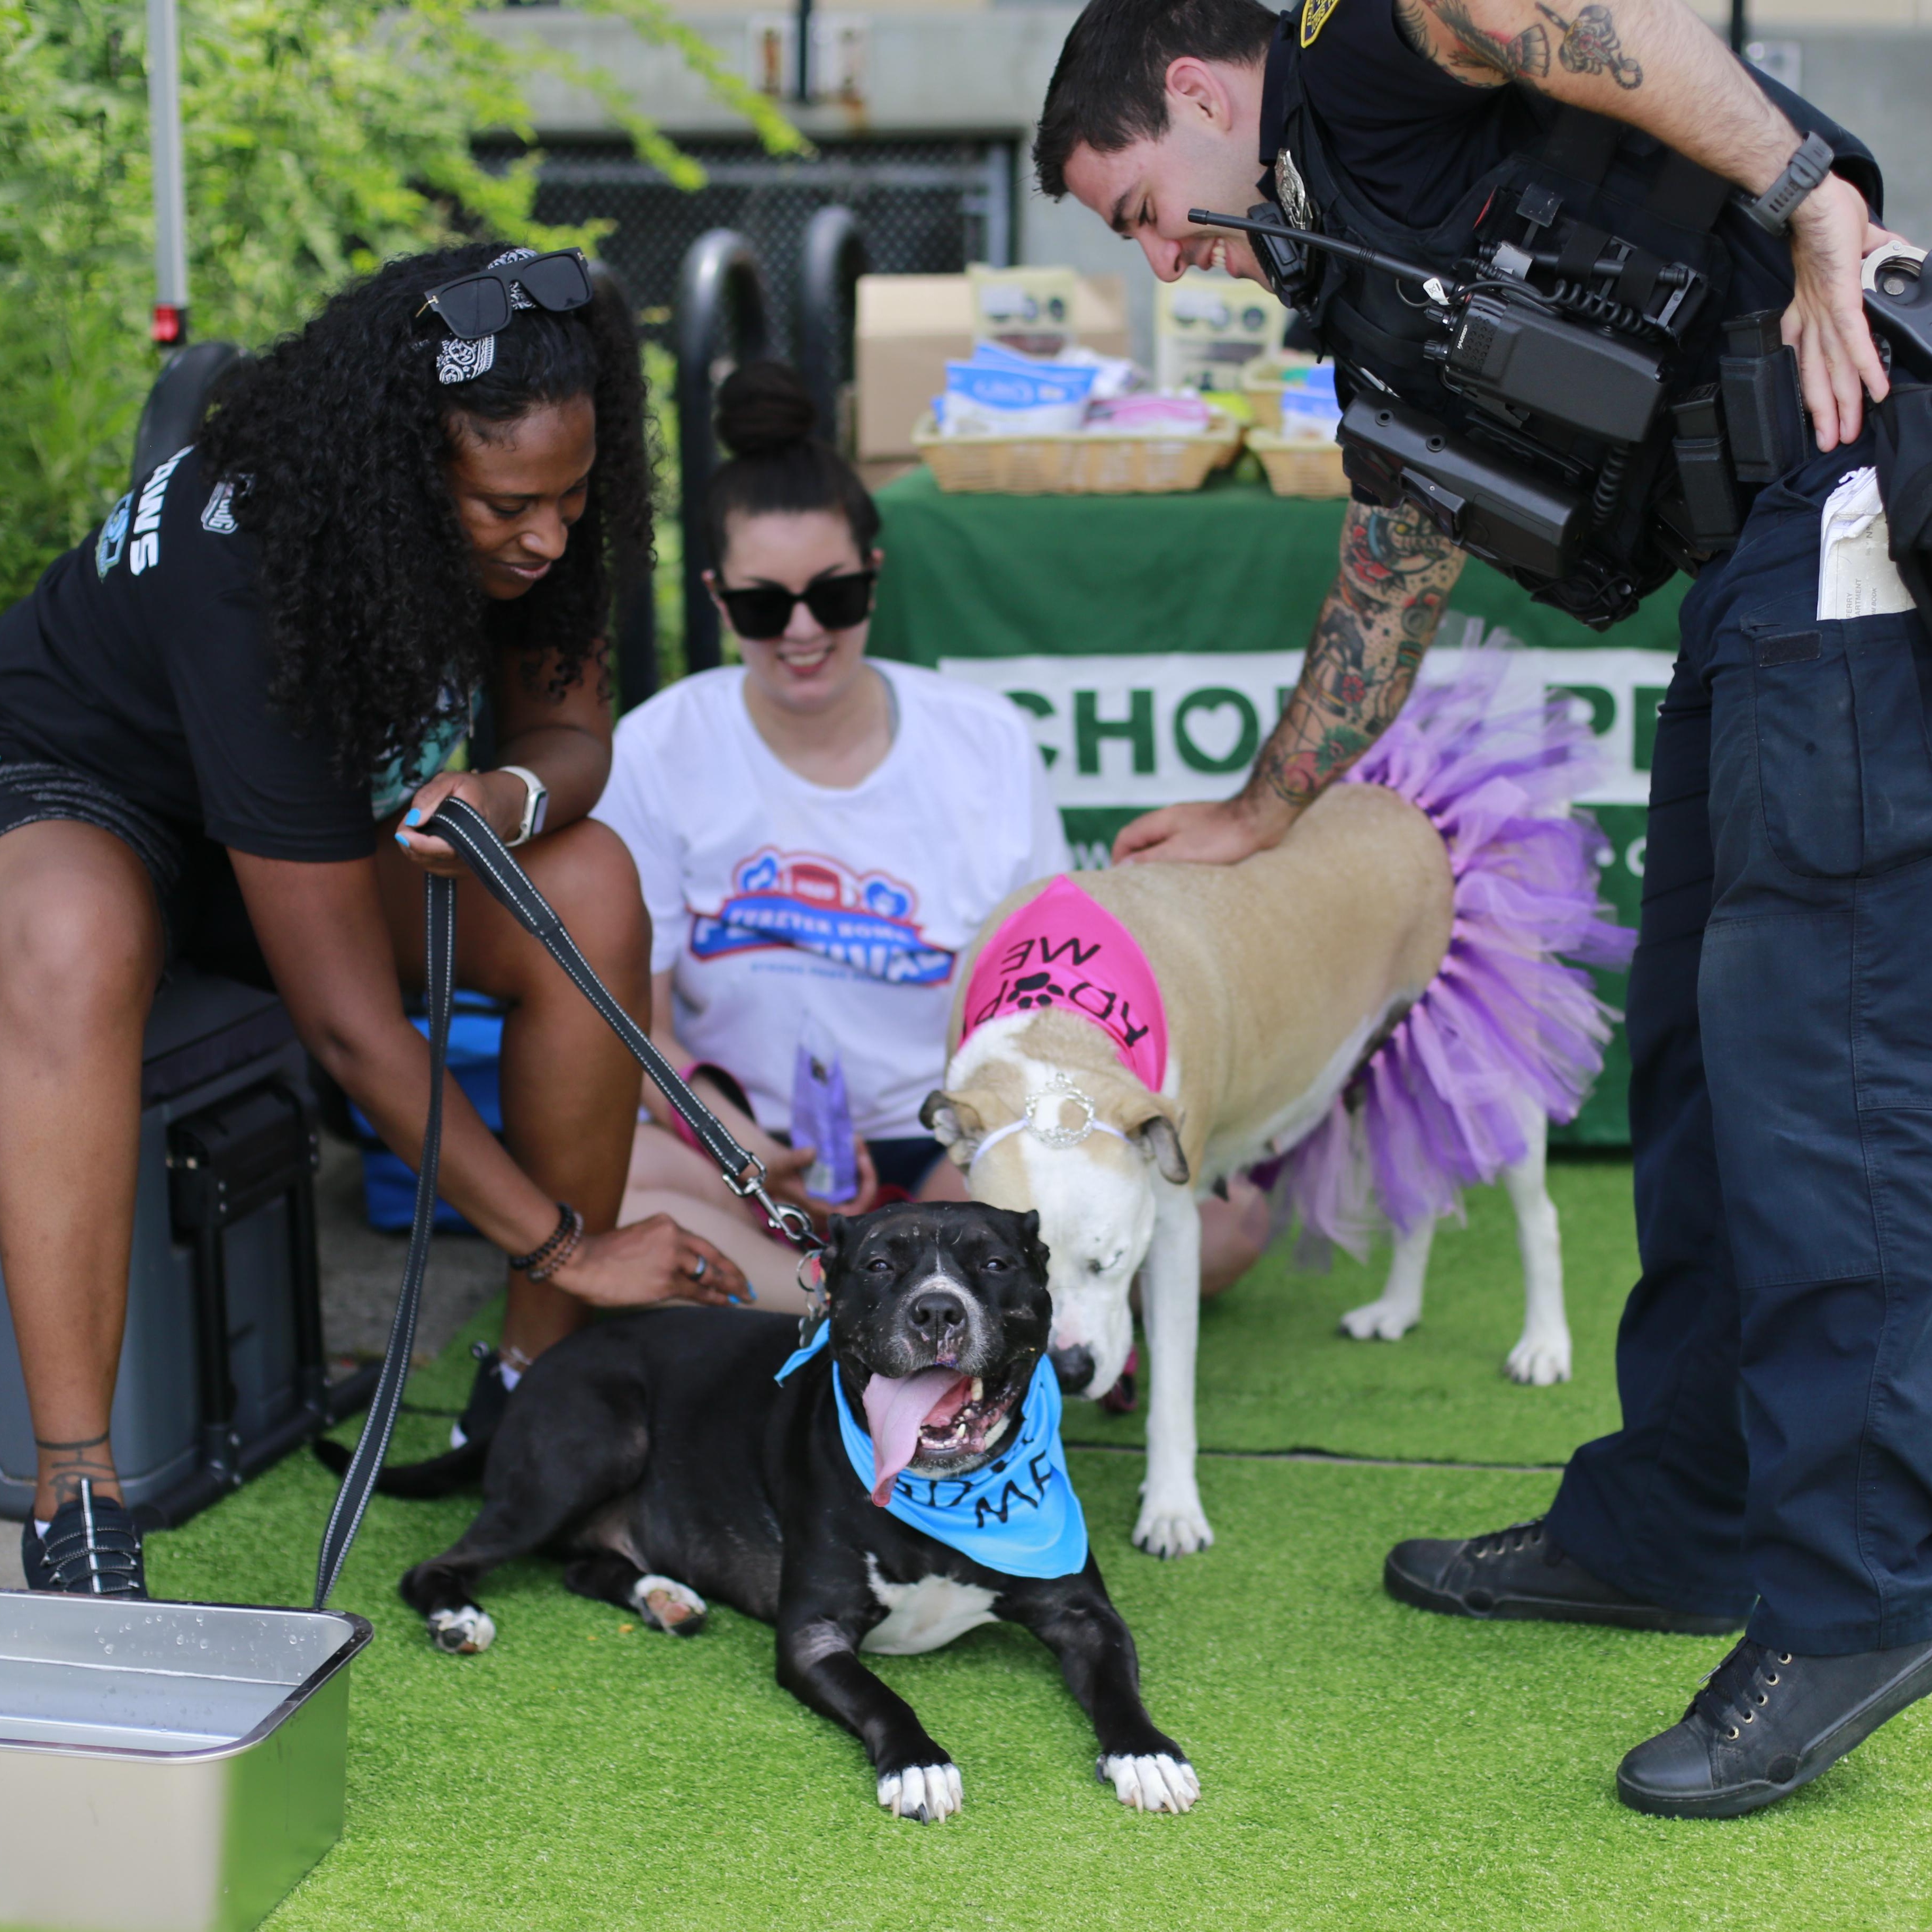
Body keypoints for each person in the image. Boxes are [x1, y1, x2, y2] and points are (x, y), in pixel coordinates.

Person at [1035, 0, 1932, 1817]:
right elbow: (1400, 539)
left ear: (1195, 94)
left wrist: (1812, 197)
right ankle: (1677, 1521)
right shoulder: (1336, 237)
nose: (1154, 255)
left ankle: (1857, 1596)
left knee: (1808, 1079)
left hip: (1840, 502)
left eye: (1133, 203)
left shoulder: (1358, 52)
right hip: (1747, 557)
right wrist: (1265, 803)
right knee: (1689, 1057)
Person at [0, 244, 747, 1599]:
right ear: (402, 477)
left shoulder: (544, 506)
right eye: (509, 504)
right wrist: (574, 1239)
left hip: (279, 832)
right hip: (69, 791)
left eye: (576, 495)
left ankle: (535, 1394)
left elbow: (573, 739)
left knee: (586, 878)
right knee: (75, 935)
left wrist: (509, 793)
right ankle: (77, 1492)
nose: (550, 536)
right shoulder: (251, 560)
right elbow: (348, 1031)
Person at [595, 362, 1277, 1309]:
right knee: (588, 1188)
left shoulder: (983, 740)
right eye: (762, 605)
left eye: (831, 597)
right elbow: (642, 1027)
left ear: (873, 579)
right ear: (717, 600)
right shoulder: (659, 746)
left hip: (955, 1144)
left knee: (1232, 1222)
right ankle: (895, 1317)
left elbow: (1046, 1013)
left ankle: (831, 1313)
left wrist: (980, 1159)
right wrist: (733, 1143)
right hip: (745, 1152)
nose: (801, 631)